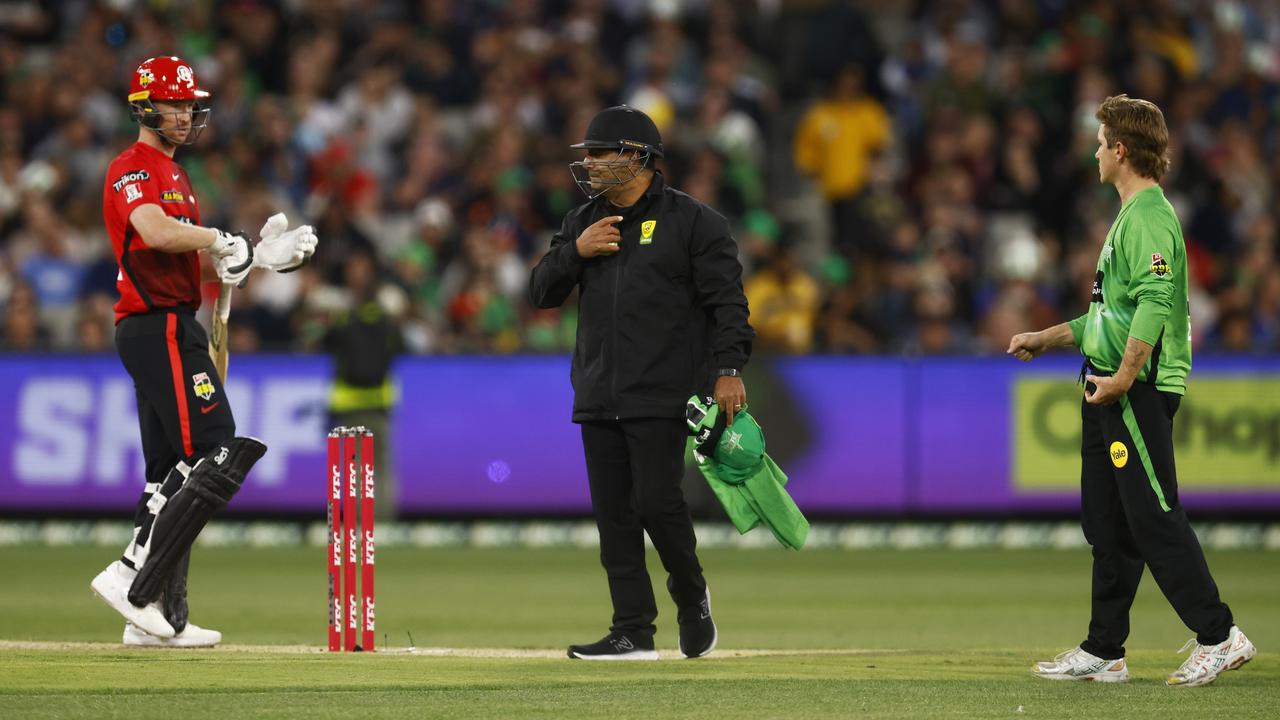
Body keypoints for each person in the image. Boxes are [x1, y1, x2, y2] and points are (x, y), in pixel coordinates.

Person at [1009, 95, 1254, 687]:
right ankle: (1105, 649)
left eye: (1100, 143)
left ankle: (1220, 635)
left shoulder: (1148, 215)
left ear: (1121, 150)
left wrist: (1122, 377)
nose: (1094, 152)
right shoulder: (1130, 215)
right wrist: (1046, 338)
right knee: (1109, 524)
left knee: (1154, 516)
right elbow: (1108, 319)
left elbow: (1153, 301)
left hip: (1134, 389)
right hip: (1108, 383)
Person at [89, 56, 317, 647]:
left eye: (192, 105)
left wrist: (249, 259)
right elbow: (158, 232)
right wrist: (221, 239)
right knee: (218, 444)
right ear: (145, 107)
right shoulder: (131, 168)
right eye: (177, 103)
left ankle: (159, 616)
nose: (188, 114)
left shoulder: (176, 173)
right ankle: (133, 579)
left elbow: (188, 253)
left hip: (176, 320)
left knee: (170, 468)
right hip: (155, 326)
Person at [529, 105, 754, 660]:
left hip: (665, 391)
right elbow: (539, 293)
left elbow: (729, 306)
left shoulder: (696, 222)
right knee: (615, 518)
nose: (591, 164)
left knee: (656, 503)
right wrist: (573, 254)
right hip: (599, 390)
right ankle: (633, 630)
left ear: (638, 157)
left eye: (601, 153)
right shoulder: (583, 221)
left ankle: (691, 592)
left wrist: (727, 371)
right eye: (589, 155)